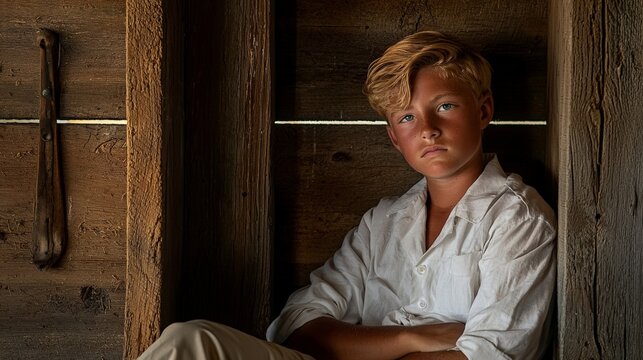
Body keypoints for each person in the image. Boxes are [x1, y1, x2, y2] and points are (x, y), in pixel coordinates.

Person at [138, 30, 556, 360]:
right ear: (395, 139)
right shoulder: (384, 223)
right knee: (189, 341)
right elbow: (297, 326)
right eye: (408, 117)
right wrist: (412, 337)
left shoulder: (518, 219)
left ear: (484, 110)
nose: (427, 128)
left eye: (444, 106)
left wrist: (363, 347)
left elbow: (491, 354)